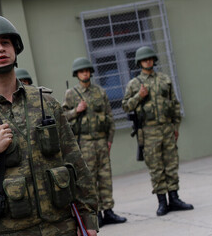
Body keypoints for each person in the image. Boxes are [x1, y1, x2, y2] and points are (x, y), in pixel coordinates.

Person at [0, 14, 99, 236]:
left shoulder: (46, 102)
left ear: (15, 48)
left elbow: (75, 161)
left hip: (61, 227)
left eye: (5, 43)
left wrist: (88, 218)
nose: (0, 49)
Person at [122, 46, 193, 216]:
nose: (148, 61)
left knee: (171, 164)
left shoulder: (164, 79)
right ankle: (162, 202)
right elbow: (125, 106)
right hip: (149, 130)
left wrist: (176, 127)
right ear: (139, 62)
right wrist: (139, 95)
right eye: (144, 59)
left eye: (150, 59)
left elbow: (174, 104)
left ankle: (174, 198)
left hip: (167, 128)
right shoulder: (134, 84)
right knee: (156, 167)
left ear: (154, 60)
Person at [62, 57, 126, 226]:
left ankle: (109, 210)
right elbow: (63, 117)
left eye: (87, 71)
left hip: (101, 141)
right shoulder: (71, 94)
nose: (85, 73)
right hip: (85, 143)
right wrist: (76, 110)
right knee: (89, 179)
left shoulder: (100, 92)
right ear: (77, 74)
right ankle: (95, 214)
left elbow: (110, 117)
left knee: (105, 177)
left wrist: (109, 140)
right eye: (81, 71)